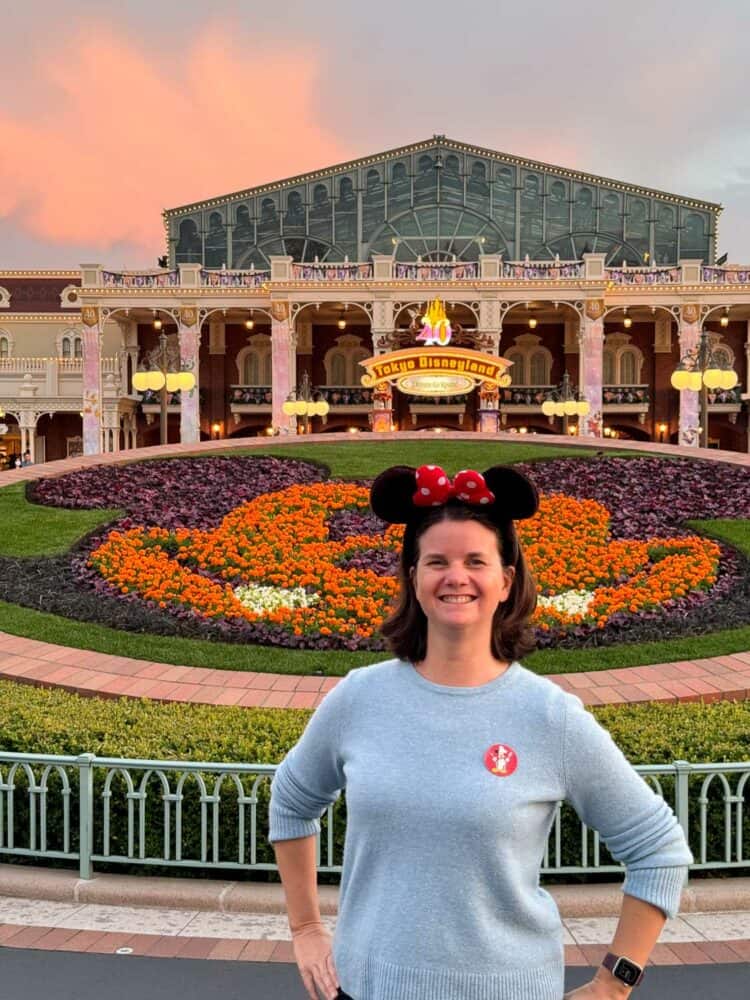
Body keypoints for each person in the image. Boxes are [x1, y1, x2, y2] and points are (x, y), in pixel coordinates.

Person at [269, 464, 693, 1000]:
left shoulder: (548, 716)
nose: (456, 577)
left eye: (476, 561)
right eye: (437, 562)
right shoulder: (360, 698)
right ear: (413, 577)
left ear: (506, 580)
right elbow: (291, 799)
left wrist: (614, 984)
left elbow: (659, 848)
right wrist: (306, 930)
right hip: (365, 987)